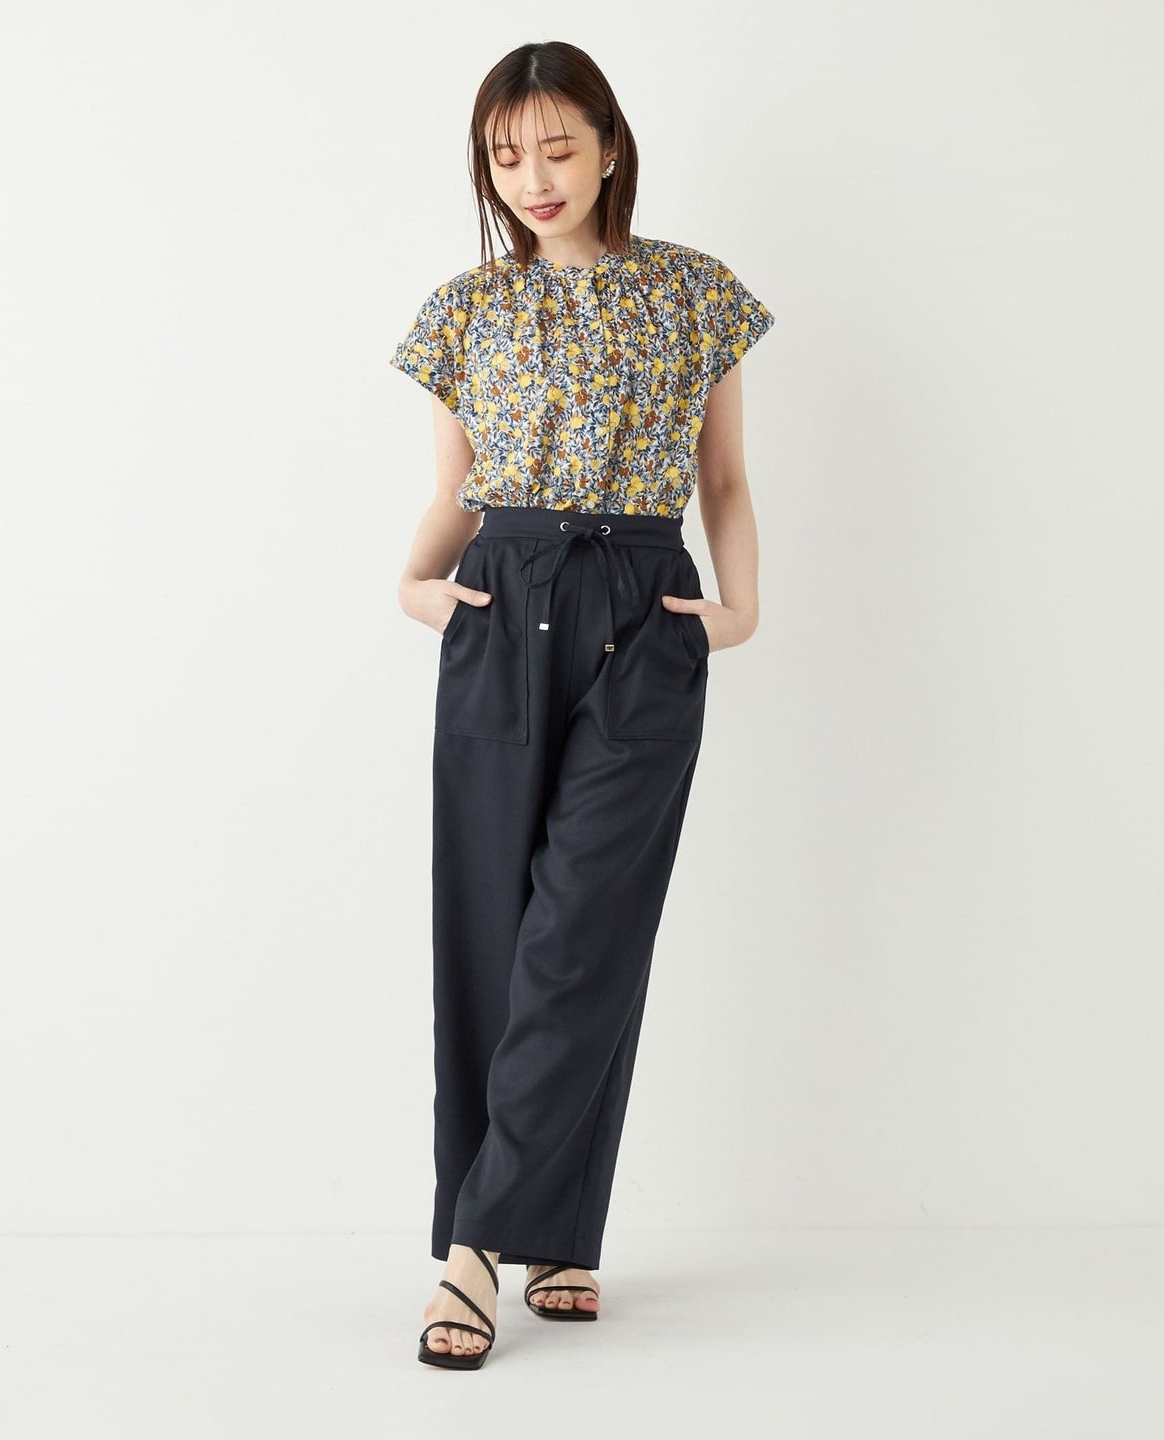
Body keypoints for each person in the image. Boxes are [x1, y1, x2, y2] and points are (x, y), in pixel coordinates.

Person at [389, 39, 775, 1370]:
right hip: (500, 606)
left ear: (611, 144)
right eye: (506, 156)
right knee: (491, 931)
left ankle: (472, 1249)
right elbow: (459, 489)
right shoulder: (466, 310)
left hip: (643, 610)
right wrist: (414, 585)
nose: (534, 178)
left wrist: (741, 607)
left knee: (583, 937)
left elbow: (723, 480)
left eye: (557, 147)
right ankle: (556, 1233)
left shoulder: (696, 293)